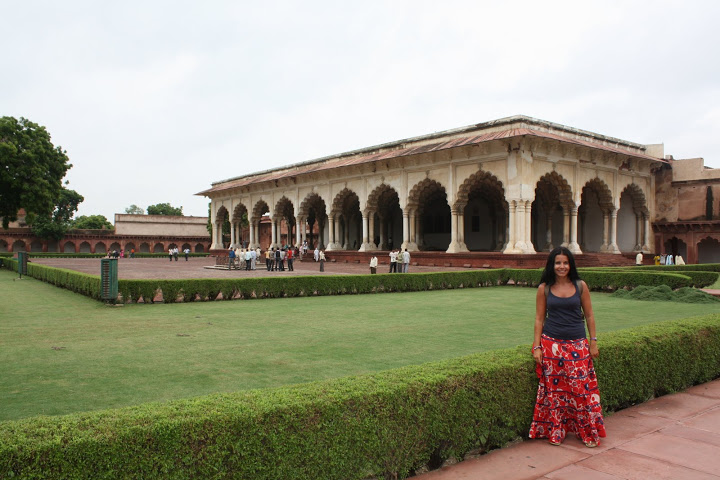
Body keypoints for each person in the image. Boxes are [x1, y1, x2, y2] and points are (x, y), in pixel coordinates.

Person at [529, 247, 605, 448]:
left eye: (565, 263)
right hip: (551, 345)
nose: (561, 266)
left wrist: (593, 341)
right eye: (558, 263)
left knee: (580, 391)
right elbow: (539, 319)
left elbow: (589, 315)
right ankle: (556, 431)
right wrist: (537, 346)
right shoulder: (544, 288)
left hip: (577, 345)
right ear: (552, 265)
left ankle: (587, 431)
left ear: (570, 265)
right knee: (555, 393)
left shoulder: (580, 286)